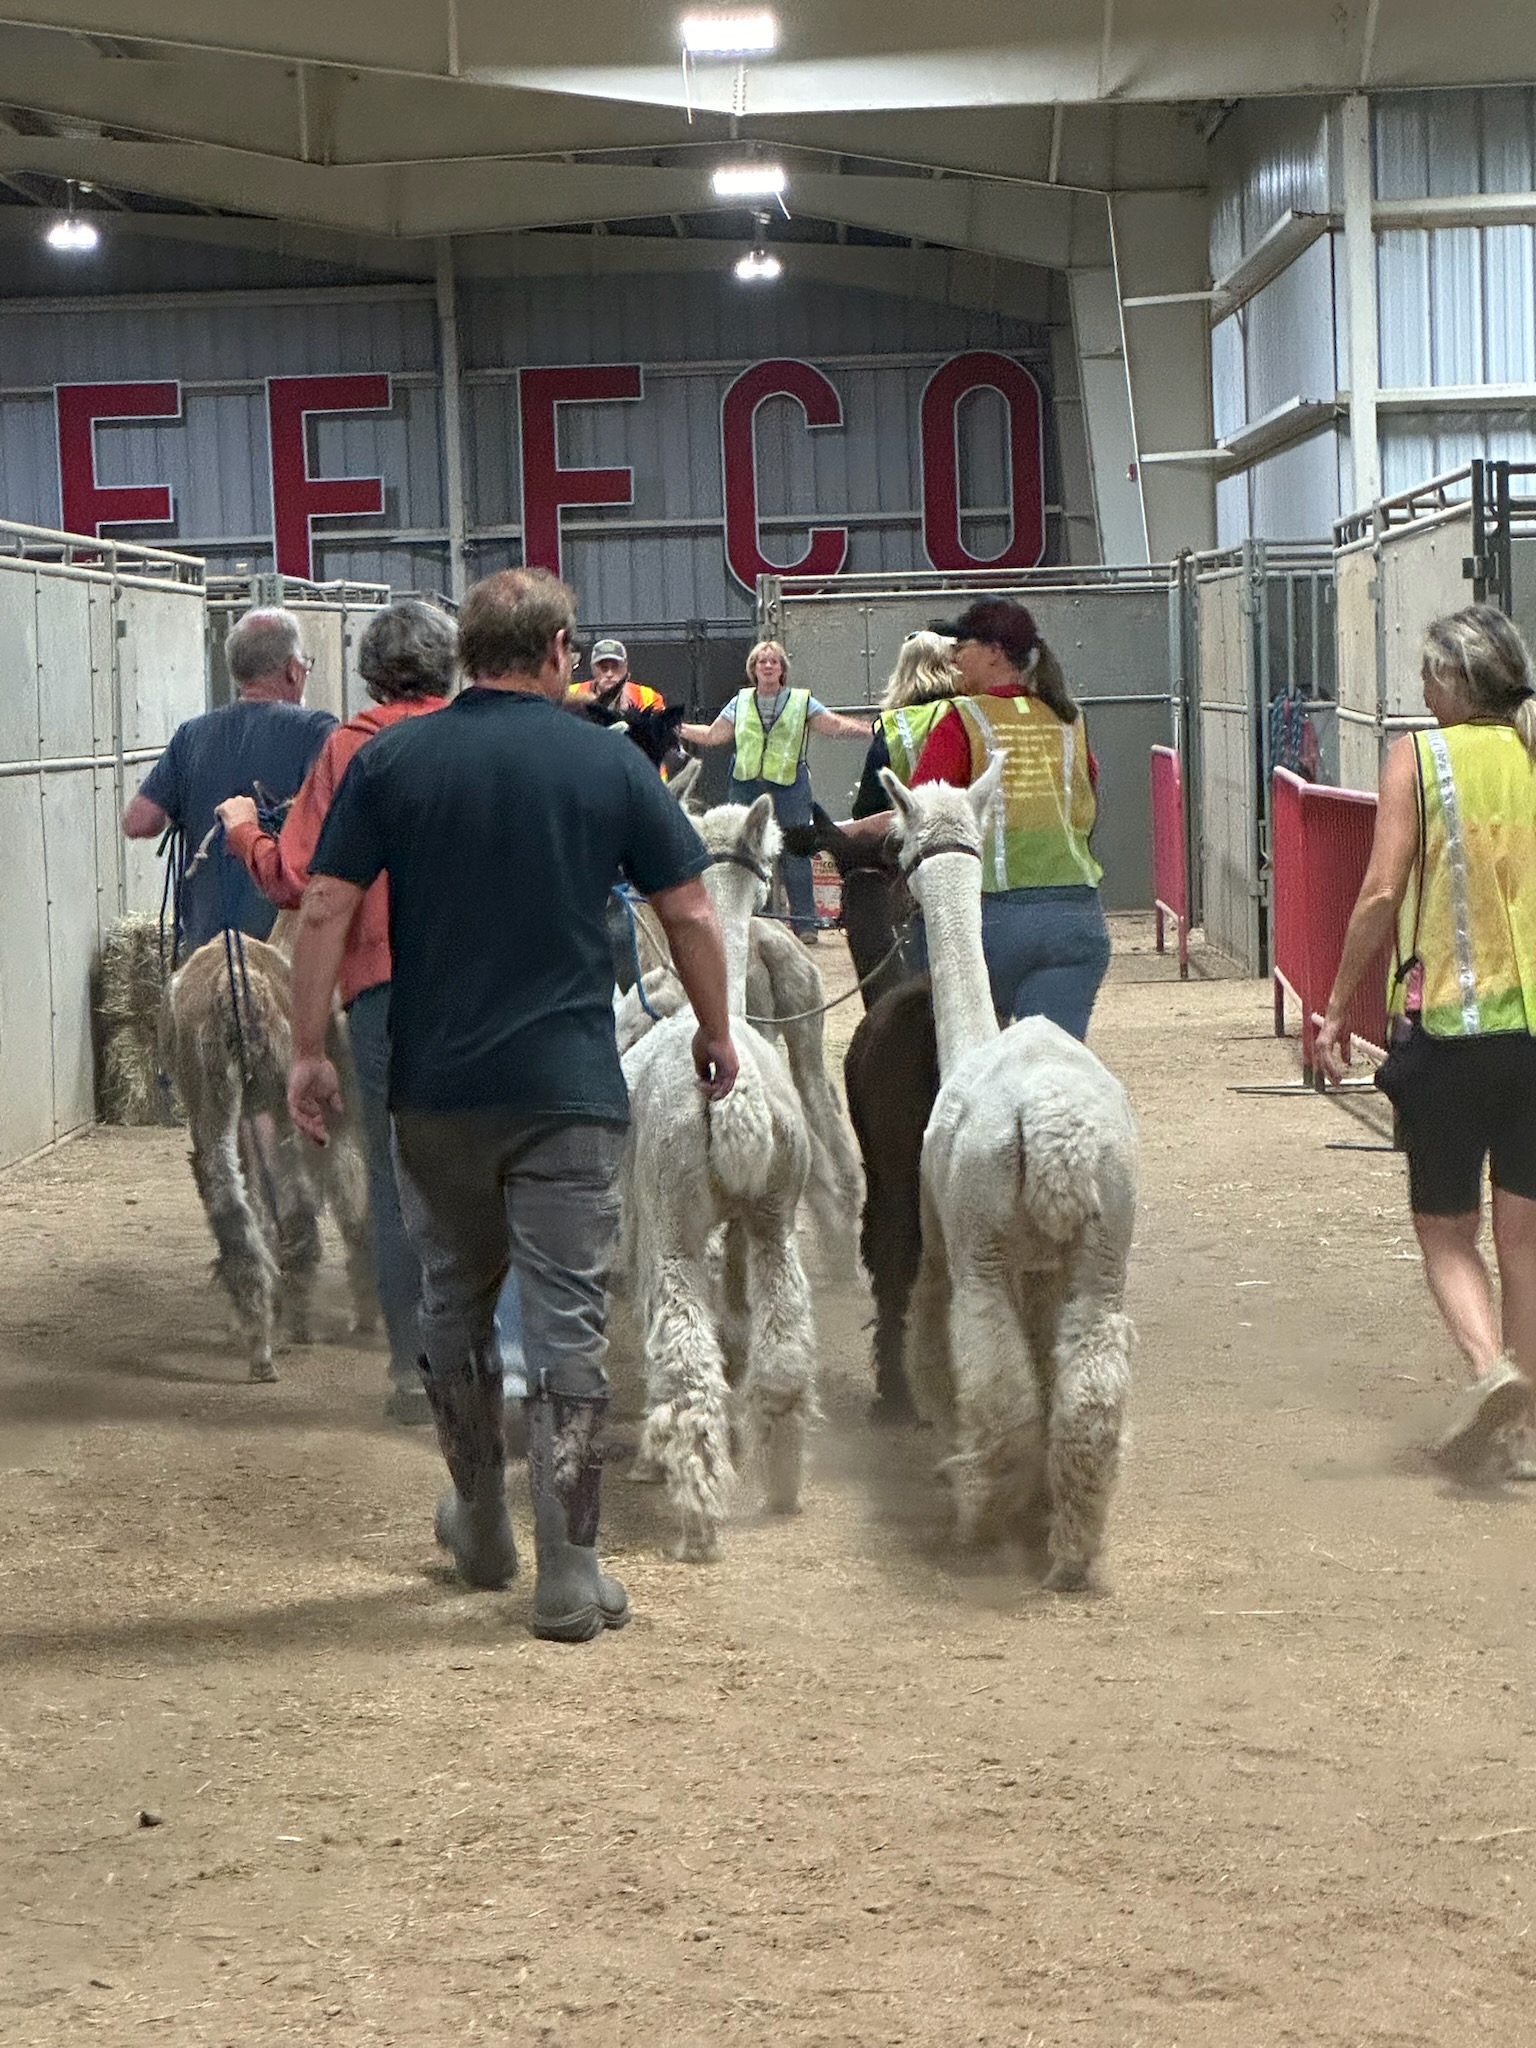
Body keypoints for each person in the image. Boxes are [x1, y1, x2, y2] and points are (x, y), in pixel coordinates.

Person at [285, 567, 737, 1644]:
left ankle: (482, 1522)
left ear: (464, 653)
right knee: (570, 1317)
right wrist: (717, 1029)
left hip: (438, 1092)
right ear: (559, 647)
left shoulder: (391, 759)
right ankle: (570, 1568)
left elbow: (323, 908)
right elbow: (690, 911)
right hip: (570, 1090)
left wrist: (309, 1047)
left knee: (453, 1309)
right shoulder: (604, 759)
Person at [214, 600, 528, 1432]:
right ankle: (507, 1359)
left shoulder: (352, 748)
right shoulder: (490, 739)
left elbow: (301, 883)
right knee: (503, 1165)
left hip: (388, 993)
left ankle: (412, 1370)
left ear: (370, 673)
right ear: (449, 665)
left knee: (399, 1179)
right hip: (496, 991)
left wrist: (246, 833)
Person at [1317, 605, 1536, 1478]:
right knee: (1525, 1241)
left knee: (1447, 1232)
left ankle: (1492, 1371)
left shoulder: (1418, 757)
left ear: (1452, 682)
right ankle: (1528, 1439)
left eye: (1425, 675)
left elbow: (1379, 893)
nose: (1418, 689)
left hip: (1452, 1031)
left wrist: (1337, 1006)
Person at [906, 597, 1109, 1041]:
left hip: (994, 921)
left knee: (976, 1068)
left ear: (995, 652)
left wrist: (847, 832)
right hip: (1076, 919)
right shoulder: (1068, 721)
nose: (954, 655)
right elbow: (1087, 803)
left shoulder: (962, 721)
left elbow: (921, 817)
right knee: (1050, 1064)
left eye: (963, 644)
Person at [122, 607, 335, 955]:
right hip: (282, 949)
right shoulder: (317, 731)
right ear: (294, 670)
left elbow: (138, 822)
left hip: (206, 947)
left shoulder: (192, 735)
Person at [679, 639, 872, 940]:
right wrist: (678, 729)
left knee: (796, 852)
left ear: (783, 669)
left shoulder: (801, 701)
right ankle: (756, 921)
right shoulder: (739, 702)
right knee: (745, 852)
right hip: (746, 785)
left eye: (774, 661)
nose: (768, 666)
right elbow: (715, 736)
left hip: (790, 785)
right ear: (753, 669)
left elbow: (832, 725)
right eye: (762, 662)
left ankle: (805, 923)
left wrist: (872, 730)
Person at [850, 629, 966, 817]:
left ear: (902, 672)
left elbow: (868, 807)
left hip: (910, 835)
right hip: (964, 834)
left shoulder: (892, 726)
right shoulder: (967, 714)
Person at [565, 637, 665, 717]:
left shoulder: (647, 697)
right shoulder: (571, 694)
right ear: (592, 668)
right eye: (603, 668)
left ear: (625, 667)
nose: (609, 674)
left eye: (615, 667)